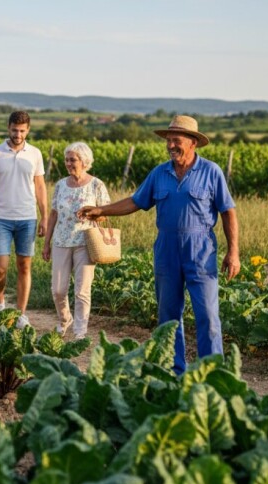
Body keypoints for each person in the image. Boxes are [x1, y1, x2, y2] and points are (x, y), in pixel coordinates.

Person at [78, 115, 240, 374]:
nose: (171, 145)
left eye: (177, 141)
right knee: (168, 316)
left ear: (192, 143)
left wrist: (233, 252)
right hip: (166, 248)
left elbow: (228, 211)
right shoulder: (159, 173)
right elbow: (135, 201)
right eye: (169, 141)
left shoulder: (211, 172)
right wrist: (101, 210)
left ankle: (212, 374)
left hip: (201, 249)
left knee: (208, 315)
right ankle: (173, 371)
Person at [0, 111, 48, 328]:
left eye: (22, 131)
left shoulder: (35, 154)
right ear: (8, 127)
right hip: (0, 217)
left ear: (28, 130)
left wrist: (45, 216)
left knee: (24, 266)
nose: (18, 134)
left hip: (27, 218)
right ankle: (0, 304)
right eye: (14, 130)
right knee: (0, 268)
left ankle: (21, 314)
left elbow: (40, 186)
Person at [42, 142, 110, 339]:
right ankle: (65, 319)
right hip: (61, 242)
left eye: (73, 160)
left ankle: (80, 331)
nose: (69, 163)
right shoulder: (61, 185)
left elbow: (106, 213)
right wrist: (46, 243)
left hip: (85, 242)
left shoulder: (96, 185)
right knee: (58, 290)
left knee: (82, 291)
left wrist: (92, 213)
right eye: (66, 160)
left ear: (84, 161)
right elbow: (54, 214)